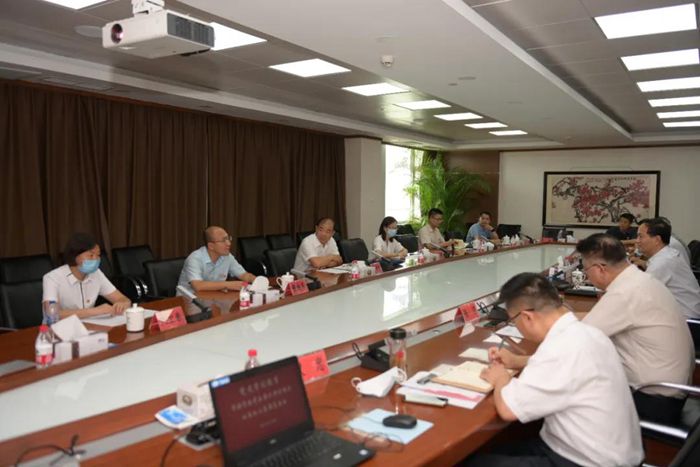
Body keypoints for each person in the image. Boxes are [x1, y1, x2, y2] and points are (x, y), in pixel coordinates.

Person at [470, 273, 643, 467]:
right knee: (495, 450)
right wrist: (516, 361)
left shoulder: (558, 349)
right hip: (602, 452)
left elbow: (508, 410)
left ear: (527, 317)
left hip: (586, 461)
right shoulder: (588, 333)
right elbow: (565, 367)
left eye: (514, 321)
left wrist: (500, 378)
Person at [577, 233, 694, 424]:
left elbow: (577, 339)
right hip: (672, 389)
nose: (587, 275)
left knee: (573, 389)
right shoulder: (638, 280)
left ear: (599, 269)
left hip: (654, 399)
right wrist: (562, 316)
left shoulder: (624, 293)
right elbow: (595, 319)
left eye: (586, 270)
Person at [42, 233, 131, 319]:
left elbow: (123, 299)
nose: (96, 259)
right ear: (75, 256)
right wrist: (96, 311)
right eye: (91, 255)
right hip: (61, 328)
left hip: (90, 326)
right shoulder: (52, 278)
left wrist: (122, 303)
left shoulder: (96, 274)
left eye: (98, 255)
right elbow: (51, 314)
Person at [635, 218, 700, 319]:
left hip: (686, 320)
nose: (637, 241)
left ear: (657, 240)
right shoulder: (666, 254)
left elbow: (641, 296)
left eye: (640, 236)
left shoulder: (662, 262)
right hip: (681, 313)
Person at [177, 226, 256, 294]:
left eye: (228, 239)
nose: (228, 243)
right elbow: (198, 285)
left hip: (213, 297)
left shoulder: (227, 257)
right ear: (211, 246)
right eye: (223, 240)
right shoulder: (195, 258)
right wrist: (229, 285)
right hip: (188, 299)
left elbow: (244, 275)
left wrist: (257, 281)